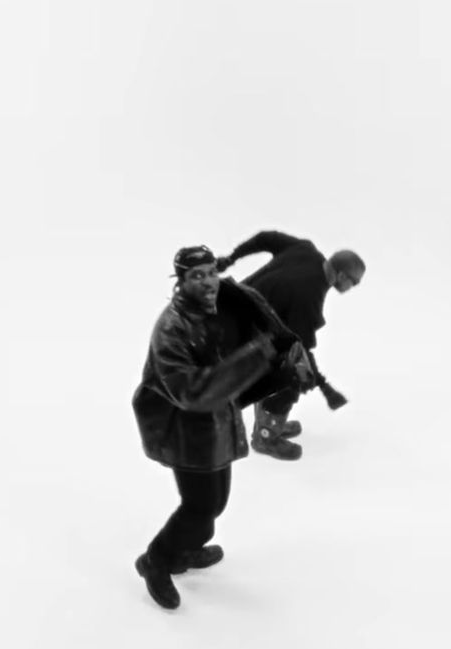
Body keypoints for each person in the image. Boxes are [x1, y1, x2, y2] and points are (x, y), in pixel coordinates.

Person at [130, 245, 315, 610]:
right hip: (184, 430)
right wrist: (260, 354)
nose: (209, 281)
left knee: (215, 505)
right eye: (197, 275)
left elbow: (233, 386)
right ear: (180, 281)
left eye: (212, 272)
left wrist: (284, 371)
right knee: (200, 508)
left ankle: (187, 547)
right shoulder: (171, 329)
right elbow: (193, 392)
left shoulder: (221, 312)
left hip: (215, 424)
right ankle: (156, 560)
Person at [215, 230, 365, 460]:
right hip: (232, 337)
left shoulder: (305, 249)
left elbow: (266, 238)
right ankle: (266, 436)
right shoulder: (309, 297)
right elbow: (299, 348)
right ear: (343, 276)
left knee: (283, 360)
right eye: (354, 282)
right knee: (294, 375)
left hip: (229, 310)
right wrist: (325, 388)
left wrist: (232, 258)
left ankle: (269, 420)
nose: (352, 287)